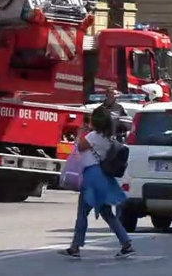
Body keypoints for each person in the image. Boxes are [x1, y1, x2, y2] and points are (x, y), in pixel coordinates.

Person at [59, 106, 134, 259]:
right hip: (102, 177)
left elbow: (79, 147)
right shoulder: (108, 138)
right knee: (107, 213)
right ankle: (126, 243)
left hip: (92, 177)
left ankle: (75, 247)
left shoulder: (93, 136)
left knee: (82, 213)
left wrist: (80, 133)